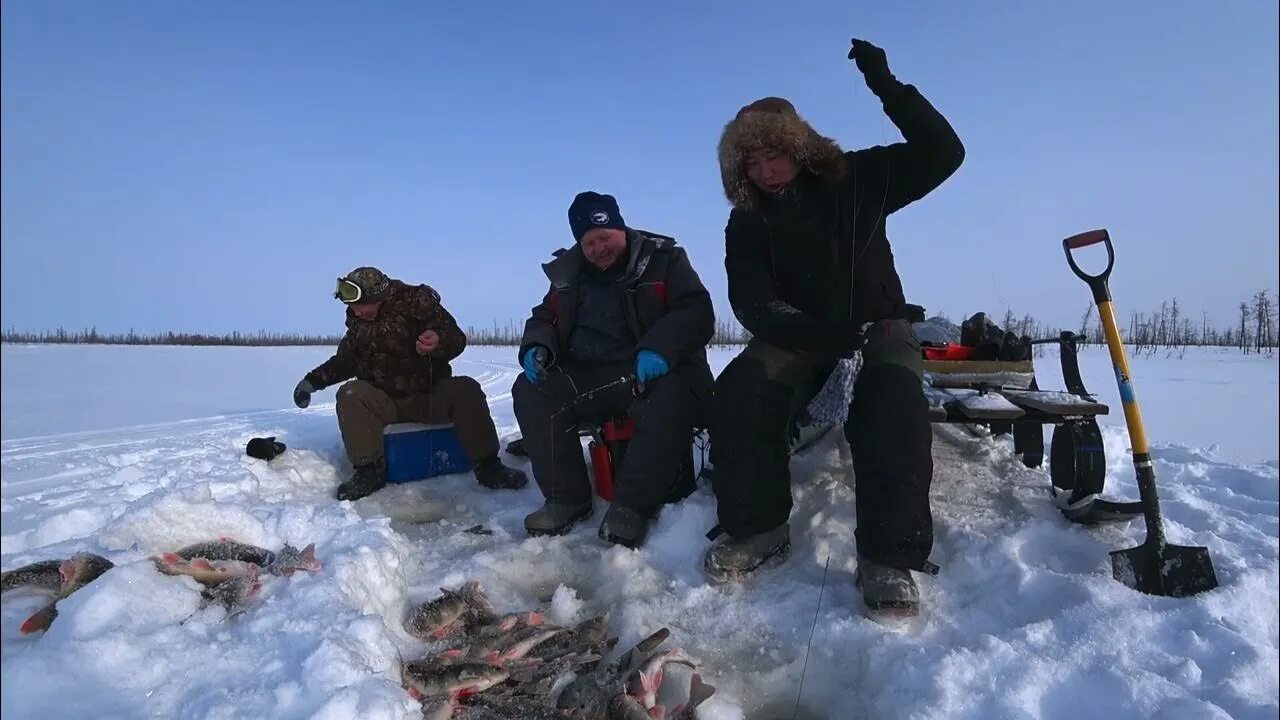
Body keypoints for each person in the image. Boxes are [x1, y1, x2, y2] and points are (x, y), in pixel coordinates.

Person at [703, 38, 965, 616]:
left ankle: (888, 557)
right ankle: (758, 528)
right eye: (753, 162)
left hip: (880, 324)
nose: (767, 171)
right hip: (801, 335)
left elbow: (944, 152)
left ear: (800, 148)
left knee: (893, 400)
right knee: (741, 390)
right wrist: (809, 334)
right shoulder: (747, 221)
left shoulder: (863, 178)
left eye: (775, 155)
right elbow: (749, 299)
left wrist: (886, 85)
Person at [512, 191, 715, 547]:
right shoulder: (568, 274)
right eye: (589, 242)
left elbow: (696, 312)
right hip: (590, 376)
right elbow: (545, 316)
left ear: (621, 229)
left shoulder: (665, 259)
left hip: (652, 372)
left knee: (667, 393)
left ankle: (632, 506)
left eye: (605, 238)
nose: (598, 248)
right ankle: (566, 499)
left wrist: (660, 348)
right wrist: (537, 345)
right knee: (531, 390)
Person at [293, 266, 528, 500]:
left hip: (430, 396)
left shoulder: (418, 302)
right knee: (351, 393)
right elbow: (344, 362)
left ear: (379, 297)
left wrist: (438, 340)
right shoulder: (357, 323)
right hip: (386, 404)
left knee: (466, 388)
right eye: (351, 307)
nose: (356, 311)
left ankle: (488, 466)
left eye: (360, 305)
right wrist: (311, 382)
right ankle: (369, 471)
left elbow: (457, 339)